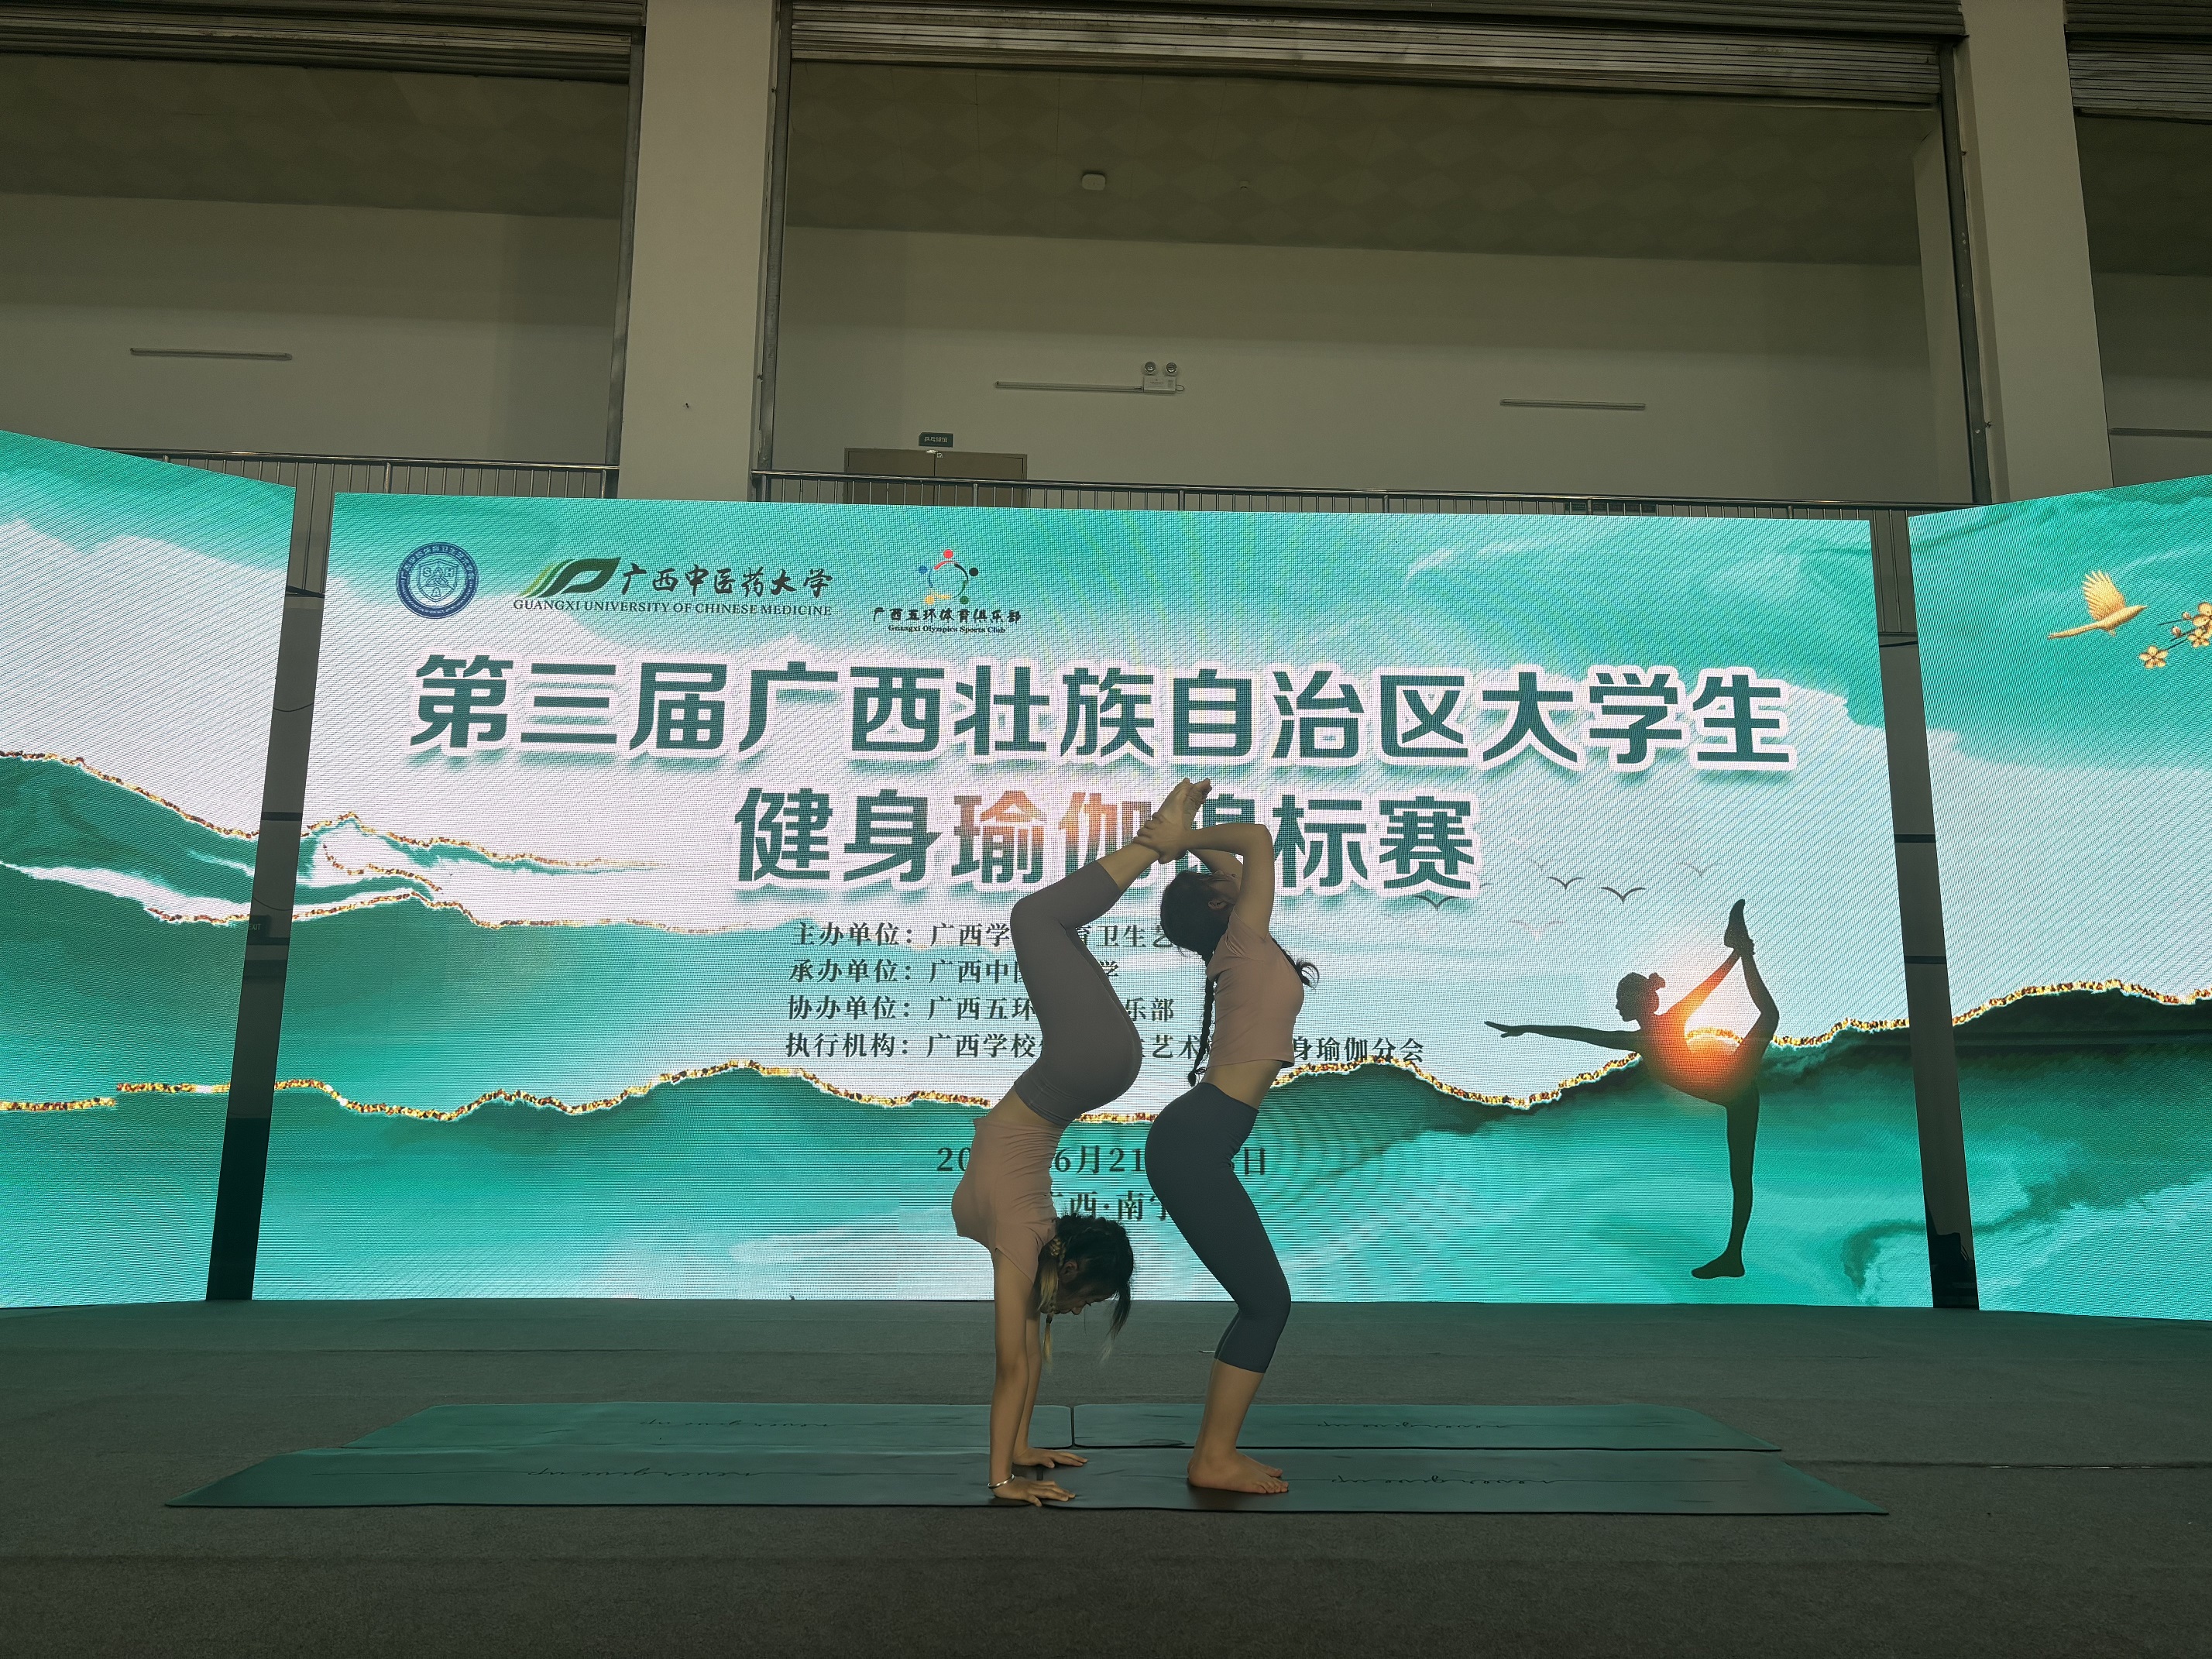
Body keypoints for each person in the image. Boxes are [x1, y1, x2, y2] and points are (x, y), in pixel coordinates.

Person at [950, 782, 1194, 1504]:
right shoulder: (1029, 1240)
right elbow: (1022, 1359)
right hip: (1083, 1065)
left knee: (1037, 920)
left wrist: (1008, 1472)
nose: (1082, 1311)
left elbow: (1016, 1362)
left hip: (1089, 1065)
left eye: (1089, 1300)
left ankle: (1158, 842)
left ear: (1073, 1264)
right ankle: (1158, 842)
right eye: (1091, 1302)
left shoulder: (1025, 1242)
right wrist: (1011, 1460)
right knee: (1041, 922)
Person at [1135, 781, 1316, 1495]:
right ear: (1218, 907)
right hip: (1194, 1145)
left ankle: (1217, 1452)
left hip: (1197, 1139)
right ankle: (1212, 1457)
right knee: (1268, 1303)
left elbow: (1236, 863)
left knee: (1264, 1301)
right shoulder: (1243, 941)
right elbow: (1258, 843)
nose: (1234, 879)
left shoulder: (1239, 943)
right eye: (1221, 884)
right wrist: (1180, 841)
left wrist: (1185, 830)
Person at [1487, 899, 1777, 1279]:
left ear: (1636, 1002)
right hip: (1737, 1097)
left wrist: (1737, 956)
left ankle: (1743, 946)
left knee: (1770, 1016)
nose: (1616, 1006)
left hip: (1731, 1079)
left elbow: (1709, 985)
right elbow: (1580, 1034)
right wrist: (1528, 1028)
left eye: (1620, 1000)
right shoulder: (1656, 1029)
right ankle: (1733, 1259)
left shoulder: (1654, 1032)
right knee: (1741, 1177)